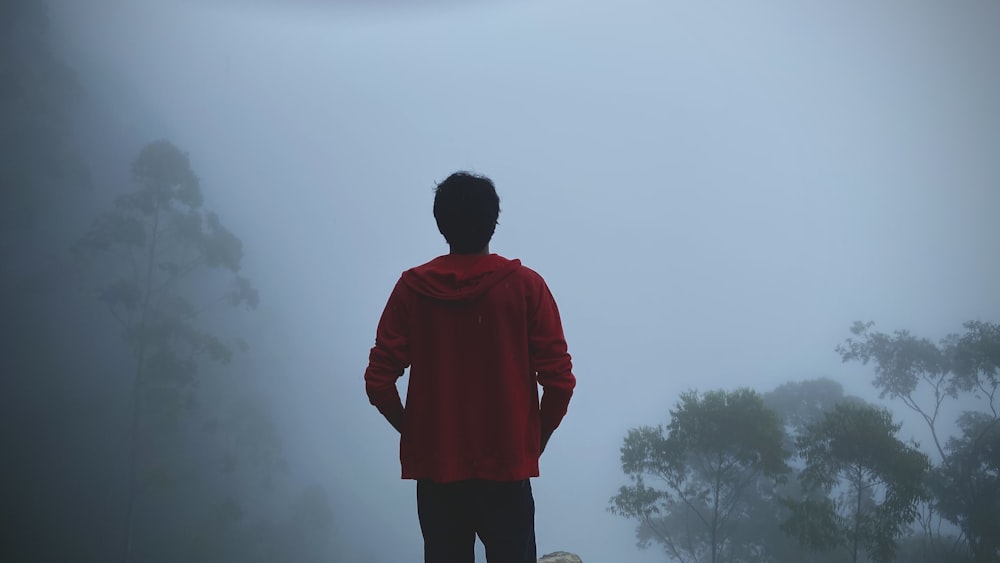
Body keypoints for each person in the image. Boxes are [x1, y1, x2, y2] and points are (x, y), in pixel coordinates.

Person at [364, 171, 576, 563]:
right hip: (506, 472)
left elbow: (379, 381)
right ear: (493, 221)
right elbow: (560, 383)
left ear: (440, 223)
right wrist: (532, 441)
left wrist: (418, 432)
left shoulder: (412, 290)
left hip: (437, 474)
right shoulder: (526, 288)